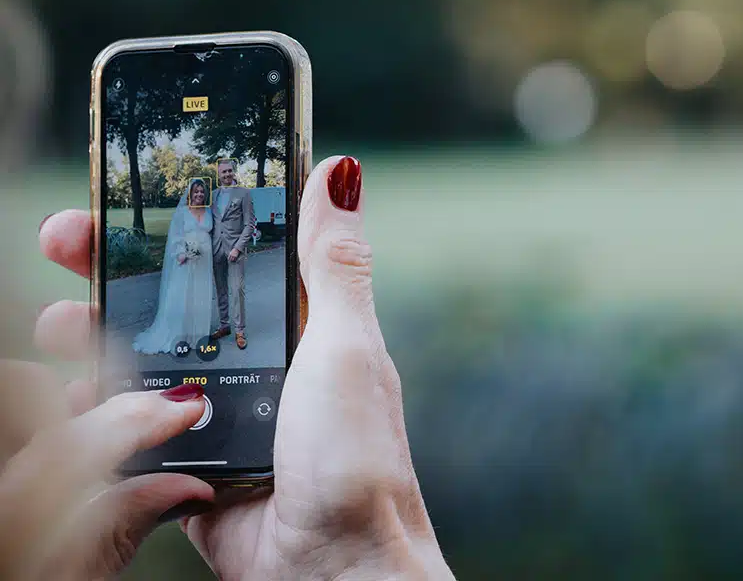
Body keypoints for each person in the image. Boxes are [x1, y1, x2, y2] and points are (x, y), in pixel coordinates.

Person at [7, 156, 455, 579]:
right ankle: (222, 329)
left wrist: (353, 559)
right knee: (213, 302)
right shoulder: (208, 204)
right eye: (214, 176)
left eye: (222, 174)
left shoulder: (239, 196)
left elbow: (249, 225)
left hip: (233, 255)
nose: (218, 181)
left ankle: (237, 331)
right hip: (206, 258)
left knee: (234, 298)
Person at [132, 179, 216, 355]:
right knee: (182, 296)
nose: (199, 194)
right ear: (190, 194)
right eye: (196, 191)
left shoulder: (208, 211)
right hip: (186, 260)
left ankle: (197, 335)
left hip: (204, 262)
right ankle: (178, 337)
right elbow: (175, 236)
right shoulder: (182, 213)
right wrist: (182, 254)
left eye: (202, 191)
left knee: (200, 295)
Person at [211, 159, 255, 350]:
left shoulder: (243, 193)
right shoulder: (212, 195)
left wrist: (238, 247)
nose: (227, 174)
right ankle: (224, 325)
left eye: (230, 171)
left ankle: (239, 331)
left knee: (236, 290)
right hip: (216, 248)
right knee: (220, 289)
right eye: (223, 172)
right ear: (218, 175)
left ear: (233, 172)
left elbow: (250, 223)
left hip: (235, 248)